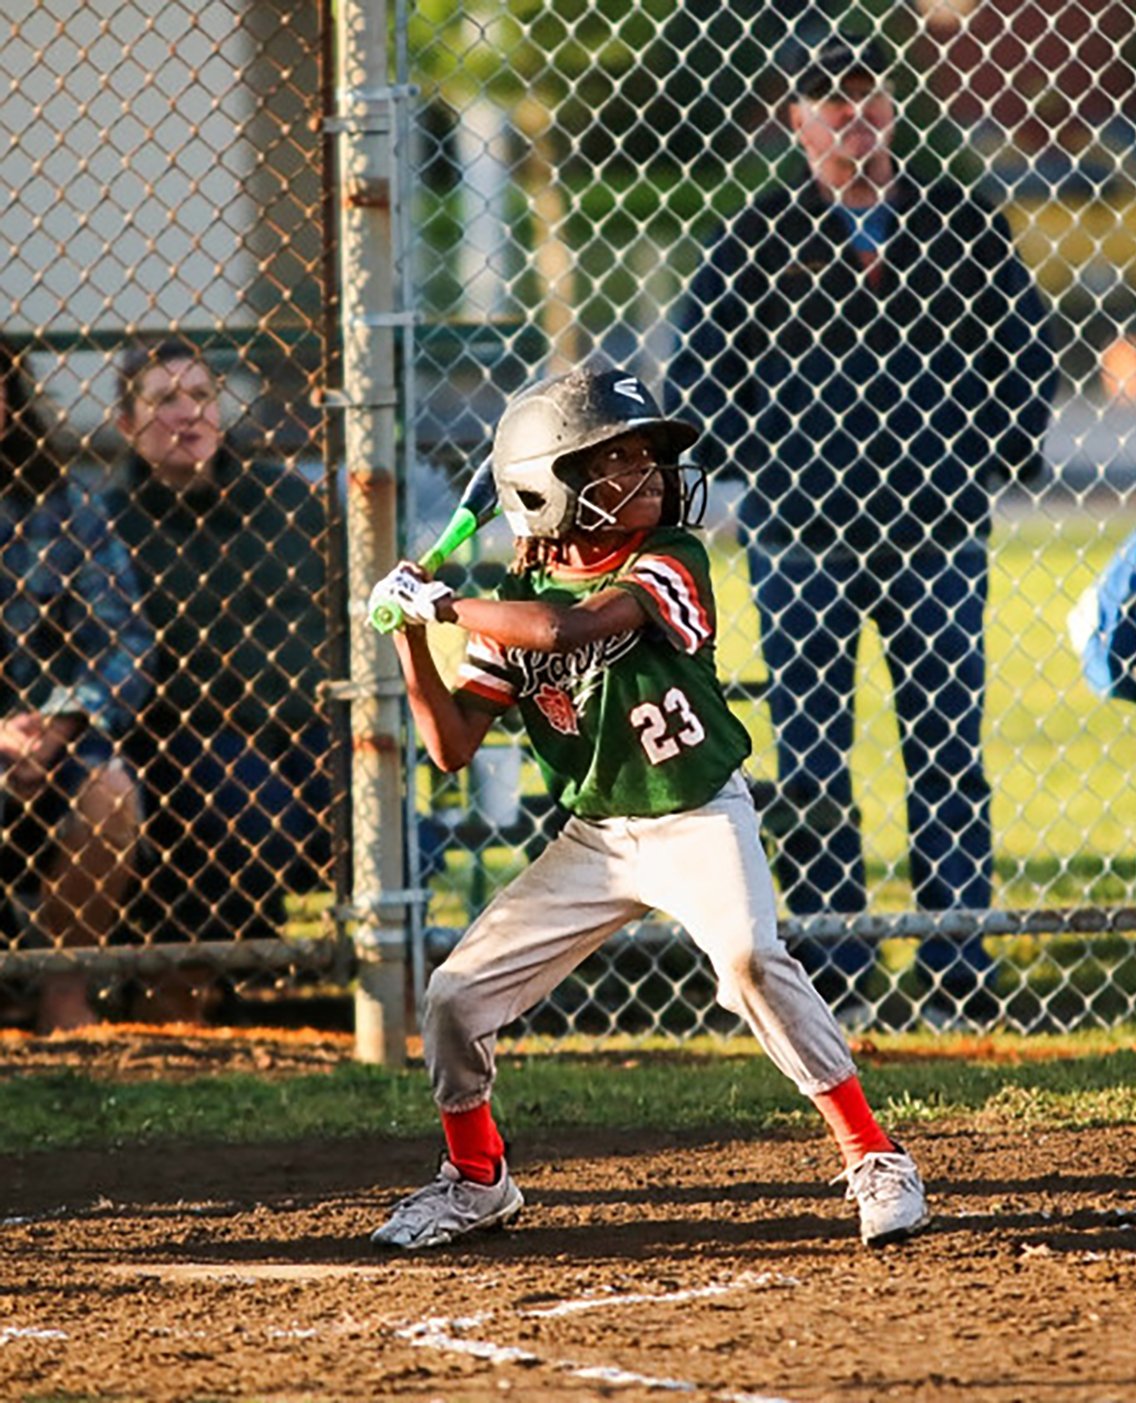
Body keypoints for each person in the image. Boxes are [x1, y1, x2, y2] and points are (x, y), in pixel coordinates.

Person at [367, 364, 929, 1250]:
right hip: (597, 835)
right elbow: (450, 746)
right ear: (548, 488)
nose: (651, 477)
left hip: (698, 810)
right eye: (616, 461)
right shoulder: (508, 606)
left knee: (748, 955)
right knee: (454, 996)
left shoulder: (667, 560)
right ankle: (476, 1179)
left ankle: (872, 1154)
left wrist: (442, 603)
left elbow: (570, 630)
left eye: (648, 459)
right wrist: (409, 641)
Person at [665, 26, 1059, 1021]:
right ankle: (835, 964)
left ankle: (955, 966)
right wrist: (783, 457)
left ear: (890, 105)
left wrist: (977, 456)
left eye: (865, 95)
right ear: (793, 120)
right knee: (811, 756)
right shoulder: (754, 236)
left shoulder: (959, 223)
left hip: (935, 531)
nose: (851, 116)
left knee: (943, 746)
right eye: (826, 101)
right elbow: (698, 384)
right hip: (803, 538)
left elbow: (1026, 356)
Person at [110, 340, 332, 1021]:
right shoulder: (113, 521)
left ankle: (407, 991)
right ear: (127, 423)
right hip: (188, 734)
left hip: (303, 722)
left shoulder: (289, 504)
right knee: (254, 811)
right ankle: (195, 981)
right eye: (164, 399)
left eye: (202, 396)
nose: (188, 413)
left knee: (386, 816)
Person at [0, 341, 149, 1032]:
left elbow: (124, 642)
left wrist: (56, 728)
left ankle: (62, 991)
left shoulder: (62, 508)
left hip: (52, 736)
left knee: (113, 795)